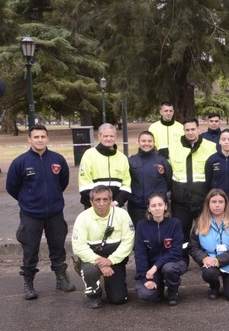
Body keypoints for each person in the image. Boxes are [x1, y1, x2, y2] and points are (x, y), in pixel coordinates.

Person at [6, 125, 75, 300]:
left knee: (58, 247)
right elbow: (12, 187)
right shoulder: (20, 162)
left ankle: (61, 278)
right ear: (29, 139)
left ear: (47, 138)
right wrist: (28, 201)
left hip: (55, 213)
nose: (39, 140)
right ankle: (29, 283)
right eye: (36, 137)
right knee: (30, 249)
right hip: (31, 215)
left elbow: (63, 182)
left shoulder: (57, 159)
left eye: (43, 136)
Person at [71, 186, 135, 309]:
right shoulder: (82, 218)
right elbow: (78, 246)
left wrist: (111, 260)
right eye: (97, 200)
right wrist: (102, 263)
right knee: (89, 270)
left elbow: (128, 241)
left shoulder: (122, 215)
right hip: (92, 259)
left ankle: (115, 285)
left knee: (118, 299)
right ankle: (94, 294)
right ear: (91, 202)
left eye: (105, 200)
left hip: (114, 258)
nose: (101, 204)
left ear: (111, 200)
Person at [169, 117, 218, 259]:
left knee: (205, 231)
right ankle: (182, 261)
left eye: (193, 129)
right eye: (187, 130)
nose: (190, 132)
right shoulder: (174, 146)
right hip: (180, 200)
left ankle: (207, 260)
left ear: (199, 130)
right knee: (181, 232)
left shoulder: (210, 146)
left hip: (202, 198)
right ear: (183, 131)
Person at [190, 189, 229, 301]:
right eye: (214, 202)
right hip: (210, 262)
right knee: (208, 273)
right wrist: (204, 258)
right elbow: (193, 247)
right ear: (208, 204)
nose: (217, 205)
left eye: (220, 202)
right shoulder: (199, 222)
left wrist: (218, 260)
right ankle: (214, 286)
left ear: (226, 204)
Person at [133, 193, 187, 306]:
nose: (157, 208)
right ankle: (159, 288)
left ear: (166, 206)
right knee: (146, 294)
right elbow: (140, 253)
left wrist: (156, 266)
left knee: (169, 268)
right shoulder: (142, 225)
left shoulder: (175, 223)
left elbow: (176, 251)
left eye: (160, 204)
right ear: (148, 208)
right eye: (153, 206)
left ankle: (173, 291)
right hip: (152, 269)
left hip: (173, 263)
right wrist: (145, 278)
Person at [78, 123, 131, 209]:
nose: (109, 139)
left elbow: (126, 185)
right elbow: (84, 183)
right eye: (105, 136)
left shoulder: (122, 158)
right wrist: (99, 202)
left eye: (112, 136)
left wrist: (116, 202)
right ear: (99, 137)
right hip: (93, 206)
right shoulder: (89, 155)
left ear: (115, 137)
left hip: (114, 206)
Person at [127, 131, 172, 226]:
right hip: (137, 207)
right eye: (143, 141)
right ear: (138, 142)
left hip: (157, 207)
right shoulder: (131, 161)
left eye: (149, 141)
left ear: (154, 142)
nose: (146, 144)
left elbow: (169, 181)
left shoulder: (161, 160)